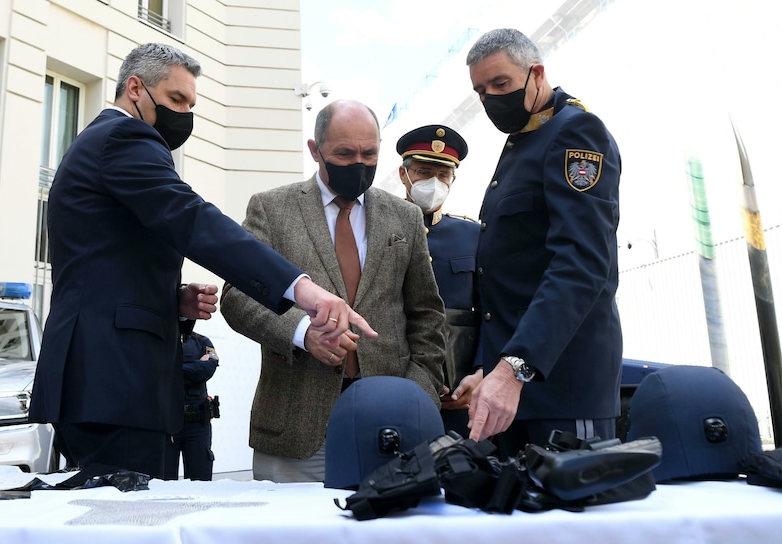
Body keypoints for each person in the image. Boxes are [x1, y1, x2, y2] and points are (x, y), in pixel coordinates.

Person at [29, 43, 376, 481]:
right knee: (126, 534)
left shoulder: (102, 143)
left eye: (191, 104)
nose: (185, 114)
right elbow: (192, 219)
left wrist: (171, 301)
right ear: (135, 88)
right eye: (176, 100)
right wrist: (301, 288)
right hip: (115, 383)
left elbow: (103, 262)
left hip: (106, 380)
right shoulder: (123, 137)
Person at [220, 99, 446, 483]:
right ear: (315, 150)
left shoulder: (404, 217)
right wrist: (302, 333)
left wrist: (415, 395)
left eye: (369, 153)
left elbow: (427, 316)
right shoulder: (272, 209)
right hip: (296, 431)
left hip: (390, 427)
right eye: (344, 153)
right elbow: (237, 296)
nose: (359, 163)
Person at [465, 28, 623, 457]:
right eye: (481, 91)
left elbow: (581, 263)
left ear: (537, 74)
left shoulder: (576, 133)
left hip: (562, 390)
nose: (491, 99)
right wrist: (490, 365)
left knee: (575, 521)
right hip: (511, 389)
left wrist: (514, 368)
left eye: (501, 84)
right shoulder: (524, 141)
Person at [395, 124, 482, 438]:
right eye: (423, 171)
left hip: (462, 392)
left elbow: (491, 313)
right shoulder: (377, 232)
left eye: (443, 174)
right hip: (399, 386)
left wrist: (481, 374)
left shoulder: (473, 236)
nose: (434, 182)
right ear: (404, 174)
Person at [164, 321, 220, 481]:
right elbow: (156, 372)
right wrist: (196, 365)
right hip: (167, 425)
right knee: (162, 484)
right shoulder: (160, 342)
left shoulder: (203, 342)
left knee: (201, 481)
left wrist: (174, 369)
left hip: (198, 425)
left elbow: (208, 368)